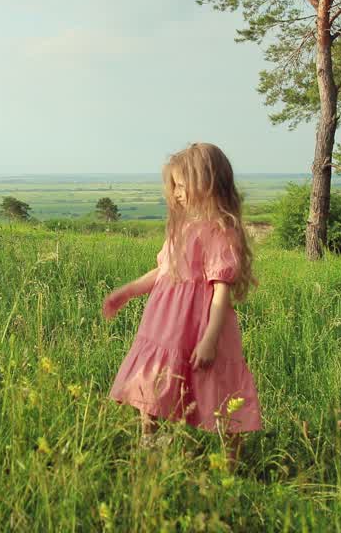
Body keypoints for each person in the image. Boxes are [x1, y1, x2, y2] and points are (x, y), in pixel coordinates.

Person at [103, 143, 260, 456]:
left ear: (208, 184)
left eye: (182, 185)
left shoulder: (220, 231)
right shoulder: (181, 227)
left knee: (220, 391)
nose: (175, 193)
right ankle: (150, 447)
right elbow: (164, 270)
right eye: (172, 186)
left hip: (202, 326)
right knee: (151, 384)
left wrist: (210, 339)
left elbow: (221, 290)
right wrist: (128, 291)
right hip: (165, 325)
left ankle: (231, 463)